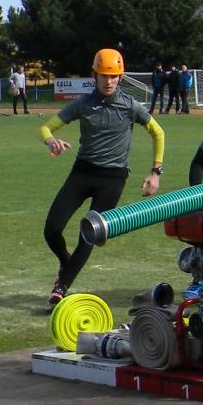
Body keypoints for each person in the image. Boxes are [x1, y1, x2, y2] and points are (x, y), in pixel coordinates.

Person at [38, 48, 164, 305]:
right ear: (94, 75)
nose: (109, 81)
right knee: (51, 230)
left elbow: (158, 133)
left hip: (113, 180)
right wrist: (51, 141)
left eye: (114, 76)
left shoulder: (130, 106)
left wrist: (155, 172)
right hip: (82, 172)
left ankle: (62, 287)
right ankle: (66, 263)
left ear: (121, 77)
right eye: (104, 75)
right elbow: (46, 127)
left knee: (89, 233)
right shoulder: (83, 104)